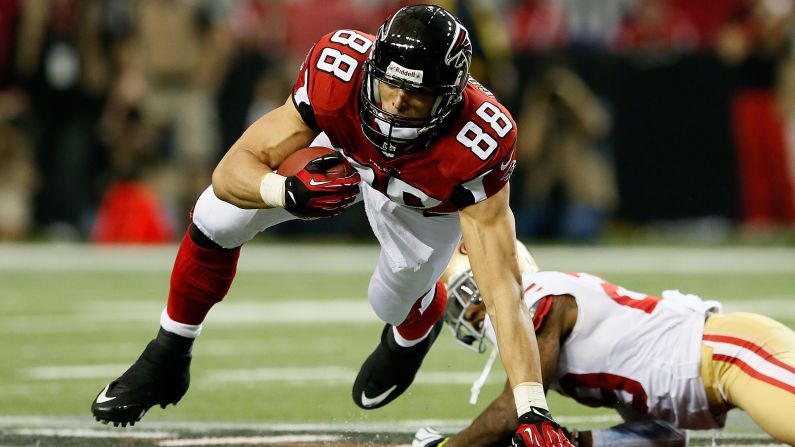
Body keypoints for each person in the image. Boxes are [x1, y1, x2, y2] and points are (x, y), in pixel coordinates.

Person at [90, 5, 572, 446]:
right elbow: (232, 169)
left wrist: (532, 406)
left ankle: (418, 321)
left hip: (423, 205)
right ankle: (167, 355)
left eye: (417, 94)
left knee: (387, 300)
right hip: (343, 153)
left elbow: (502, 285)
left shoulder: (480, 138)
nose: (398, 103)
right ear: (373, 69)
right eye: (391, 84)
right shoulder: (338, 70)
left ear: (448, 99)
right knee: (218, 212)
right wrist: (285, 191)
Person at [413, 240, 795, 446]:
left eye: (467, 299)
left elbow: (513, 411)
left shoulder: (535, 298)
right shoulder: (545, 310)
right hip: (725, 362)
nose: (474, 317)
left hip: (735, 356)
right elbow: (664, 437)